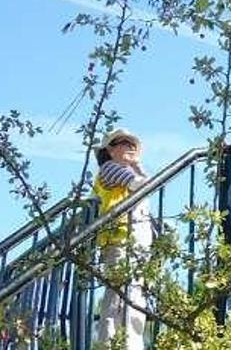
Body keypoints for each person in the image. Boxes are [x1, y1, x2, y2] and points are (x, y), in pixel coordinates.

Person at [92, 128, 152, 350]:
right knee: (118, 297)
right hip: (120, 241)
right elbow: (141, 185)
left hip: (134, 242)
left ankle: (131, 343)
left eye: (132, 144)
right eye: (122, 143)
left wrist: (137, 165)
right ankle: (110, 345)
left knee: (134, 295)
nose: (129, 147)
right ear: (110, 149)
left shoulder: (122, 171)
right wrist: (136, 167)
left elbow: (143, 185)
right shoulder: (109, 169)